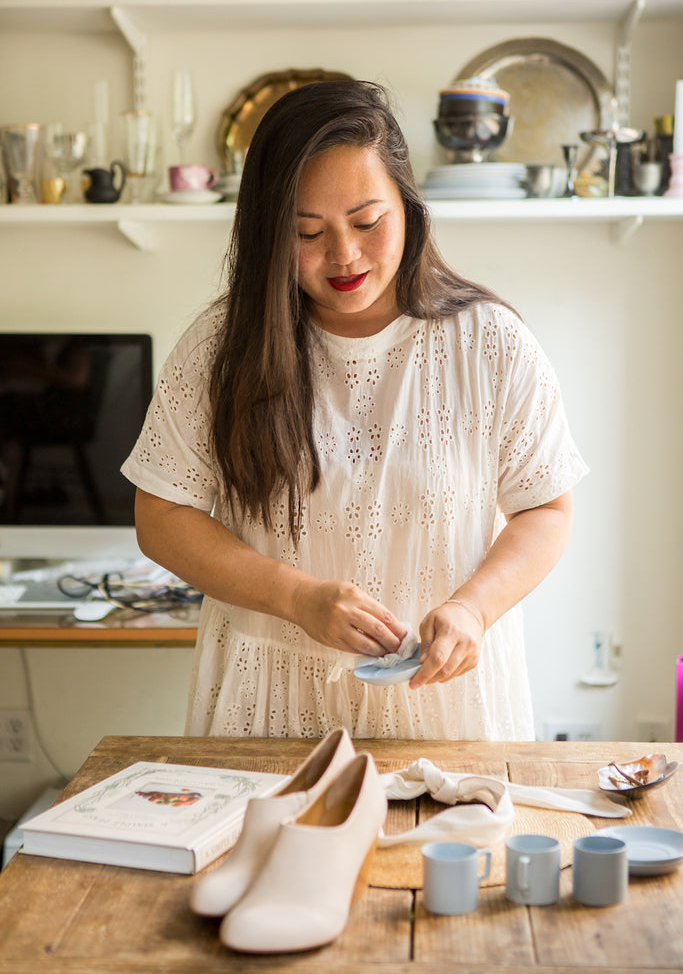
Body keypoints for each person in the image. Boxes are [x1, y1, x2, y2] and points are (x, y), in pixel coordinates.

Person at [121, 80, 588, 741]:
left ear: (407, 204)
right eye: (306, 232)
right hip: (269, 709)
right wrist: (295, 597)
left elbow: (545, 509)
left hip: (442, 705)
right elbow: (161, 517)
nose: (342, 256)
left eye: (367, 222)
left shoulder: (488, 342)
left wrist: (473, 611)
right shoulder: (221, 349)